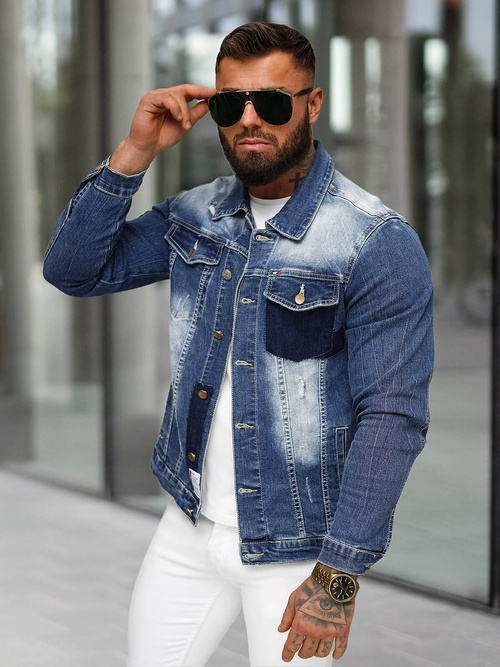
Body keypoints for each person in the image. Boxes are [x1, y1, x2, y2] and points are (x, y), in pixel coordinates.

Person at [43, 21, 434, 667]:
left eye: (272, 103)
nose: (250, 120)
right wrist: (135, 152)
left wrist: (338, 574)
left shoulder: (374, 242)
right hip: (189, 525)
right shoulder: (198, 216)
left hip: (297, 548)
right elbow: (72, 271)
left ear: (312, 103)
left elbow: (393, 415)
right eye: (232, 104)